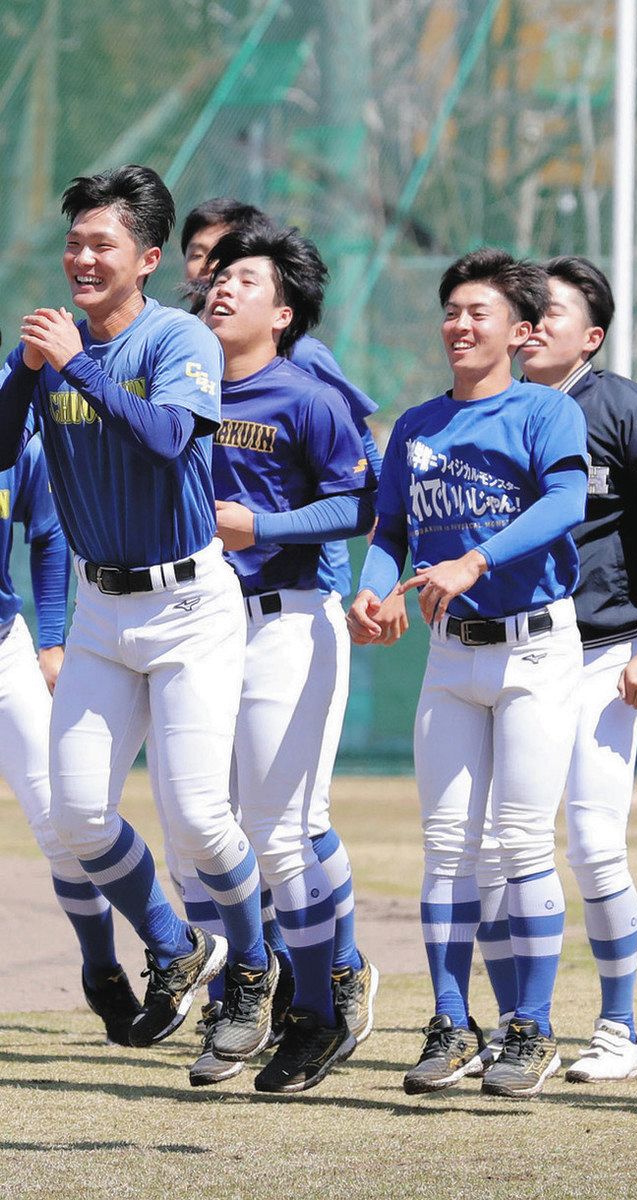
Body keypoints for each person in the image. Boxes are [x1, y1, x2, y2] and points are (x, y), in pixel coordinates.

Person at [0, 164, 270, 1063]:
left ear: (148, 258)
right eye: (74, 240)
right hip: (101, 611)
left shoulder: (177, 338)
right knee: (77, 818)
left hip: (192, 604)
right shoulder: (51, 344)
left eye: (101, 243)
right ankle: (176, 944)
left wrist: (71, 364)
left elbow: (165, 440)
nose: (81, 256)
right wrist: (24, 374)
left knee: (196, 817)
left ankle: (255, 971)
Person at [348, 248, 588, 1100]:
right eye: (451, 308)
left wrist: (477, 560)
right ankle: (452, 1021)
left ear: (520, 331)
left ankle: (532, 1026)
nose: (459, 322)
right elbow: (389, 534)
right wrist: (370, 595)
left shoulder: (544, 412)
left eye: (478, 311)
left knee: (522, 841)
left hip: (533, 648)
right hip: (452, 655)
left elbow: (566, 504)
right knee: (447, 847)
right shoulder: (416, 424)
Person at [472, 255, 637, 1082]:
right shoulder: (489, 413)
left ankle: (620, 1030)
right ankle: (517, 1028)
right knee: (502, 847)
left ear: (593, 335)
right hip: (508, 649)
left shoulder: (635, 415)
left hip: (602, 654)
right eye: (524, 307)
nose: (531, 321)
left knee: (592, 843)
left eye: (551, 310)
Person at [175, 200, 382, 1020]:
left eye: (231, 268)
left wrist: (276, 533)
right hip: (199, 618)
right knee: (203, 824)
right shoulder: (173, 367)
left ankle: (332, 976)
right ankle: (245, 987)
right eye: (204, 262)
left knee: (287, 825)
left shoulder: (306, 376)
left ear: (282, 308)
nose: (210, 278)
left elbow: (360, 490)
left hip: (289, 607)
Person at [0, 421, 141, 1043]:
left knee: (62, 822)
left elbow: (50, 534)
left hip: (3, 647)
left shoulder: (10, 443)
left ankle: (102, 970)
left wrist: (52, 638)